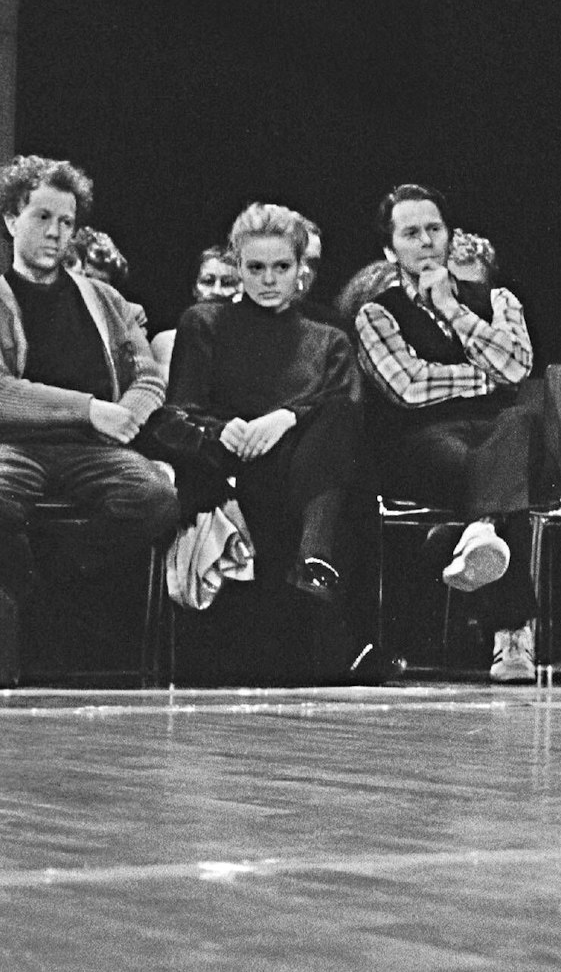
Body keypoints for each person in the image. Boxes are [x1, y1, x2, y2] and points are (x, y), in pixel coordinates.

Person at [165, 203, 369, 681]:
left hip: (307, 469)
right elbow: (177, 413)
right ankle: (314, 565)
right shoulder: (205, 322)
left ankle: (312, 561)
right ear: (237, 266)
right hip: (237, 465)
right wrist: (224, 429)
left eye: (282, 267)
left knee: (342, 417)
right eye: (255, 267)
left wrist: (284, 418)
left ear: (301, 270)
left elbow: (343, 407)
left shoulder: (328, 337)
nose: (268, 279)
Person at [0, 156, 179, 678]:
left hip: (93, 447)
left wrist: (128, 414)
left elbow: (148, 373)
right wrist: (88, 408)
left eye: (67, 222)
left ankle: (59, 574)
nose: (56, 233)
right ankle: (30, 585)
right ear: (12, 219)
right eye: (43, 218)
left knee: (154, 496)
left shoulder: (103, 297)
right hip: (18, 445)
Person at [354, 184, 540, 683]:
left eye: (434, 229)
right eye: (411, 233)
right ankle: (511, 634)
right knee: (492, 475)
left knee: (519, 423)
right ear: (391, 249)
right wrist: (484, 374)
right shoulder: (376, 313)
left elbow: (520, 366)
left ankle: (474, 533)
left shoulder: (497, 298)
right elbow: (408, 387)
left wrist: (453, 310)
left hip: (499, 432)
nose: (427, 241)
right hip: (423, 441)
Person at [151, 247, 241, 380]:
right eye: (208, 281)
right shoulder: (168, 342)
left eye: (228, 283)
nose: (216, 291)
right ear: (194, 289)